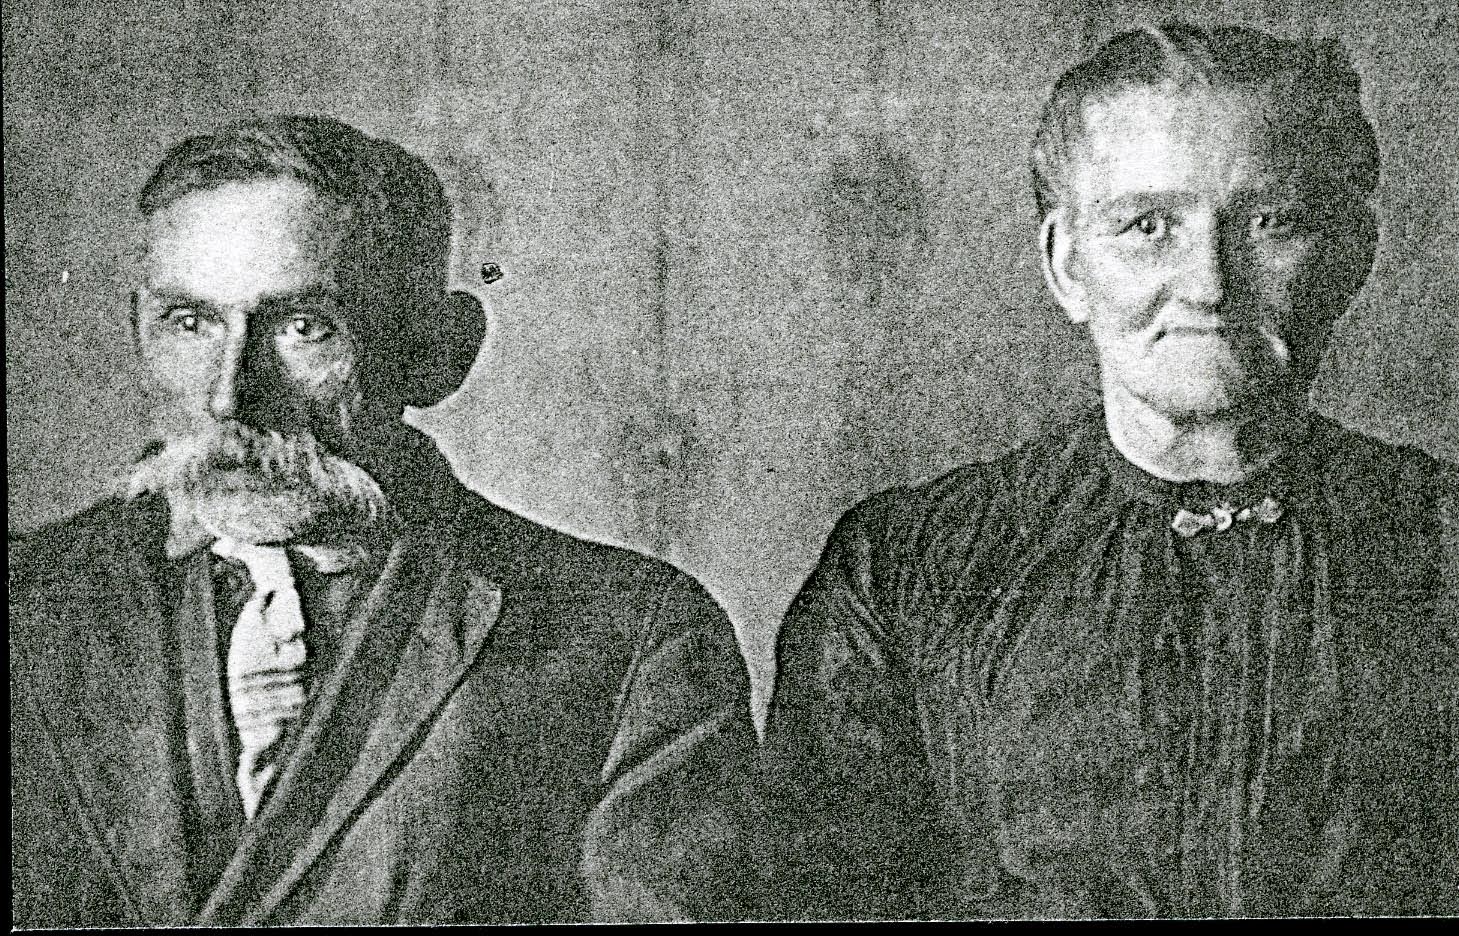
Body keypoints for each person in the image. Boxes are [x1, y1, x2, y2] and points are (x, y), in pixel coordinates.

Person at [762, 21, 1457, 919]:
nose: (1208, 284)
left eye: (1270, 222)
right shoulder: (906, 568)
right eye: (1147, 226)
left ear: (1352, 253)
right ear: (1066, 265)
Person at [9, 115, 755, 926]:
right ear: (137, 328)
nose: (228, 396)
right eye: (191, 323)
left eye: (304, 326)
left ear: (437, 350)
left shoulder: (631, 638)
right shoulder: (27, 604)